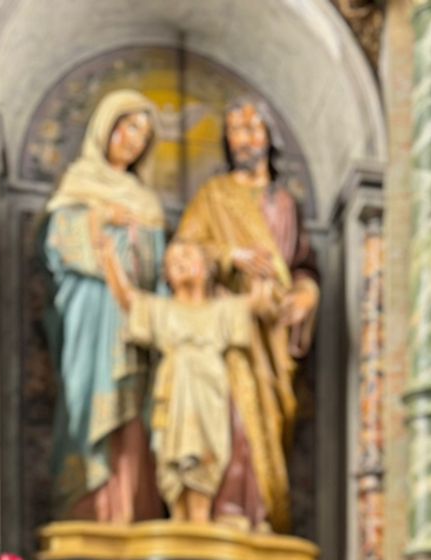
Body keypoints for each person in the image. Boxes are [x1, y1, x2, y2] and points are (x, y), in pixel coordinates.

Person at [175, 97, 320, 535]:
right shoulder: (214, 196)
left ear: (269, 138)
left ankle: (263, 513)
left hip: (273, 332)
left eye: (254, 128)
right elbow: (183, 251)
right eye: (237, 130)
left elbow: (303, 267)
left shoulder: (286, 204)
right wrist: (230, 256)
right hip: (227, 325)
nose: (246, 139)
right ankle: (228, 507)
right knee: (231, 413)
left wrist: (306, 295)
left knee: (270, 415)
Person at [41, 89, 166, 524]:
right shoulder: (79, 182)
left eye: (143, 134)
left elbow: (157, 267)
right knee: (83, 399)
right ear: (106, 126)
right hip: (90, 311)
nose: (134, 140)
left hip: (132, 318)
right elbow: (57, 243)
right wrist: (99, 219)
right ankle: (87, 509)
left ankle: (132, 511)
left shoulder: (146, 201)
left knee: (134, 409)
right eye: (129, 127)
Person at [97, 232, 255, 522]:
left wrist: (255, 267)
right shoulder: (162, 309)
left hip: (209, 393)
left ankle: (201, 520)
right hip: (172, 394)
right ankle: (179, 519)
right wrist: (109, 258)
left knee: (204, 458)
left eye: (187, 256)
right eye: (172, 261)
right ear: (166, 275)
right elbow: (128, 298)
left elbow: (261, 302)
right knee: (171, 460)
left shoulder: (224, 310)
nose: (180, 263)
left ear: (206, 267)